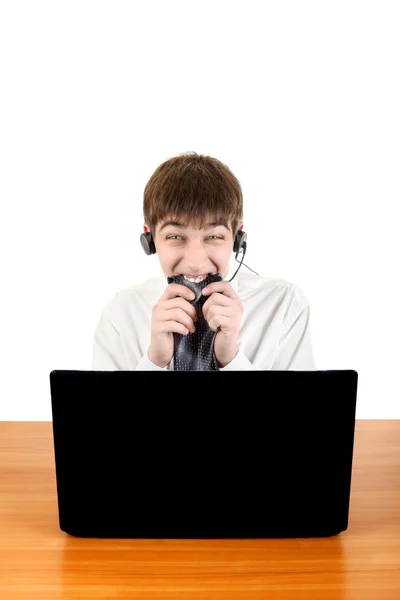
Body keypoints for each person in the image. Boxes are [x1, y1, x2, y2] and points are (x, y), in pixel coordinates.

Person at [91, 152, 316, 371]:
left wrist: (231, 360)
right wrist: (154, 362)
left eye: (214, 237)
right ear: (149, 240)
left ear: (237, 239)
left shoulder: (284, 306)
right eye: (175, 237)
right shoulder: (121, 314)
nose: (196, 262)